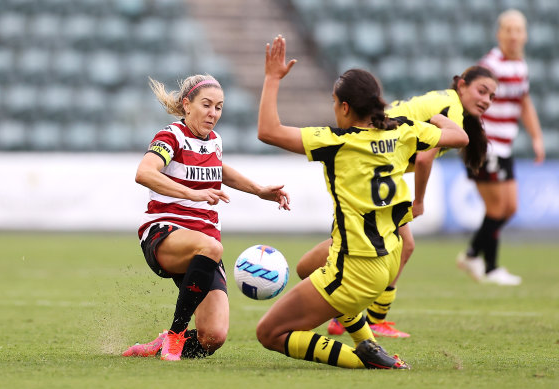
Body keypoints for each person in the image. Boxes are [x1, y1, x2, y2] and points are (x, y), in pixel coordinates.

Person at [255, 35, 468, 369]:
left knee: (269, 333)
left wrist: (271, 78)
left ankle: (361, 360)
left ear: (344, 107)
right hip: (388, 258)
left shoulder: (335, 142)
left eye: (334, 102)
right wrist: (439, 119)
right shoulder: (401, 131)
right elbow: (460, 136)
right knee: (307, 267)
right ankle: (366, 342)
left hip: (355, 267)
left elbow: (267, 130)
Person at [296, 66, 498, 338]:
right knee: (398, 244)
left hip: (375, 161)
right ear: (461, 86)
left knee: (372, 241)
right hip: (373, 156)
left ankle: (346, 312)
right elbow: (425, 157)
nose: (486, 100)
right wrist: (420, 200)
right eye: (481, 91)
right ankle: (367, 317)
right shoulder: (452, 109)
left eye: (492, 96)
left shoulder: (448, 103)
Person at [122, 75, 290, 361]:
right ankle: (176, 333)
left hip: (204, 247)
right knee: (211, 246)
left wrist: (259, 190)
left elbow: (218, 168)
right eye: (207, 105)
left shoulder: (214, 141)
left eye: (219, 107)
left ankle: (163, 343)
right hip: (164, 233)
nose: (213, 114)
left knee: (212, 338)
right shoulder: (171, 136)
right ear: (187, 105)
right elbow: (144, 173)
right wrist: (191, 194)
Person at [457, 9, 545, 286]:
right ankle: (489, 267)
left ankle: (472, 254)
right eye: (508, 29)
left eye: (518, 30)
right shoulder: (490, 65)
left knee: (509, 208)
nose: (514, 35)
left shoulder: (520, 66)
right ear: (499, 34)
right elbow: (466, 95)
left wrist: (537, 137)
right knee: (496, 209)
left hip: (505, 146)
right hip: (487, 145)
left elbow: (525, 103)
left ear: (525, 35)